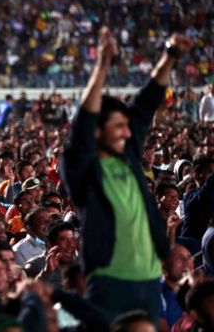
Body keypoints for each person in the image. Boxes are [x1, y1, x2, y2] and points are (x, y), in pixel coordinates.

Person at [60, 28, 193, 323]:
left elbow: (146, 103)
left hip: (149, 280)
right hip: (110, 281)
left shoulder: (129, 158)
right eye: (118, 125)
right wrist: (102, 66)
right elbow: (82, 125)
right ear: (98, 130)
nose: (126, 131)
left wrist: (170, 56)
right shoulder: (82, 169)